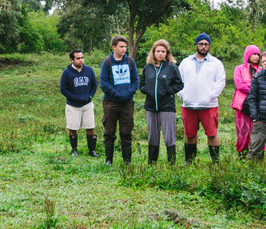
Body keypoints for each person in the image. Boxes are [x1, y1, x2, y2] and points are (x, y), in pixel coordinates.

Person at [178, 33, 226, 163]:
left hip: (208, 105)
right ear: (196, 45)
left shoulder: (216, 63)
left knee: (212, 133)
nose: (203, 47)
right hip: (188, 105)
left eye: (206, 44)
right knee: (190, 134)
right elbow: (178, 80)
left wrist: (210, 96)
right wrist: (183, 95)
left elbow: (220, 82)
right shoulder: (185, 62)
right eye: (201, 44)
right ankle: (190, 161)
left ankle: (215, 162)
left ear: (209, 46)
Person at [140, 39, 184, 165]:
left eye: (163, 51)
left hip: (167, 106)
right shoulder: (148, 68)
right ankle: (152, 162)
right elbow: (141, 84)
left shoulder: (172, 67)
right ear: (153, 52)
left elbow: (179, 84)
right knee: (152, 135)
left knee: (169, 135)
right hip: (151, 106)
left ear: (167, 53)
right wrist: (146, 90)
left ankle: (171, 163)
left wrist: (168, 91)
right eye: (158, 51)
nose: (160, 54)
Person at [100, 35, 139, 166]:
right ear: (114, 47)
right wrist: (117, 95)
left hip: (127, 103)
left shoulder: (130, 61)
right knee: (109, 131)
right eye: (121, 47)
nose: (124, 49)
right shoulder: (107, 62)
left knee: (126, 131)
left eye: (125, 47)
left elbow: (136, 81)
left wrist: (129, 93)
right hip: (111, 103)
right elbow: (104, 84)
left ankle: (127, 161)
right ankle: (108, 160)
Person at [59, 49, 98, 157]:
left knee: (90, 127)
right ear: (72, 60)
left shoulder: (89, 70)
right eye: (78, 58)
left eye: (82, 58)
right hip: (73, 106)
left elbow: (94, 85)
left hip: (87, 105)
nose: (81, 60)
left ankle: (92, 151)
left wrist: (90, 96)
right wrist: (74, 98)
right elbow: (63, 89)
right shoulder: (66, 73)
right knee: (73, 128)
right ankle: (74, 150)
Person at [232, 45, 261, 158]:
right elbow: (239, 85)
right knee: (242, 131)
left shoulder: (261, 70)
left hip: (257, 104)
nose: (256, 57)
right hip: (242, 104)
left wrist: (250, 86)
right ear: (248, 55)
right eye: (253, 54)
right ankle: (242, 155)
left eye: (258, 54)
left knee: (257, 130)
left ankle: (257, 155)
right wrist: (255, 87)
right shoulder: (239, 69)